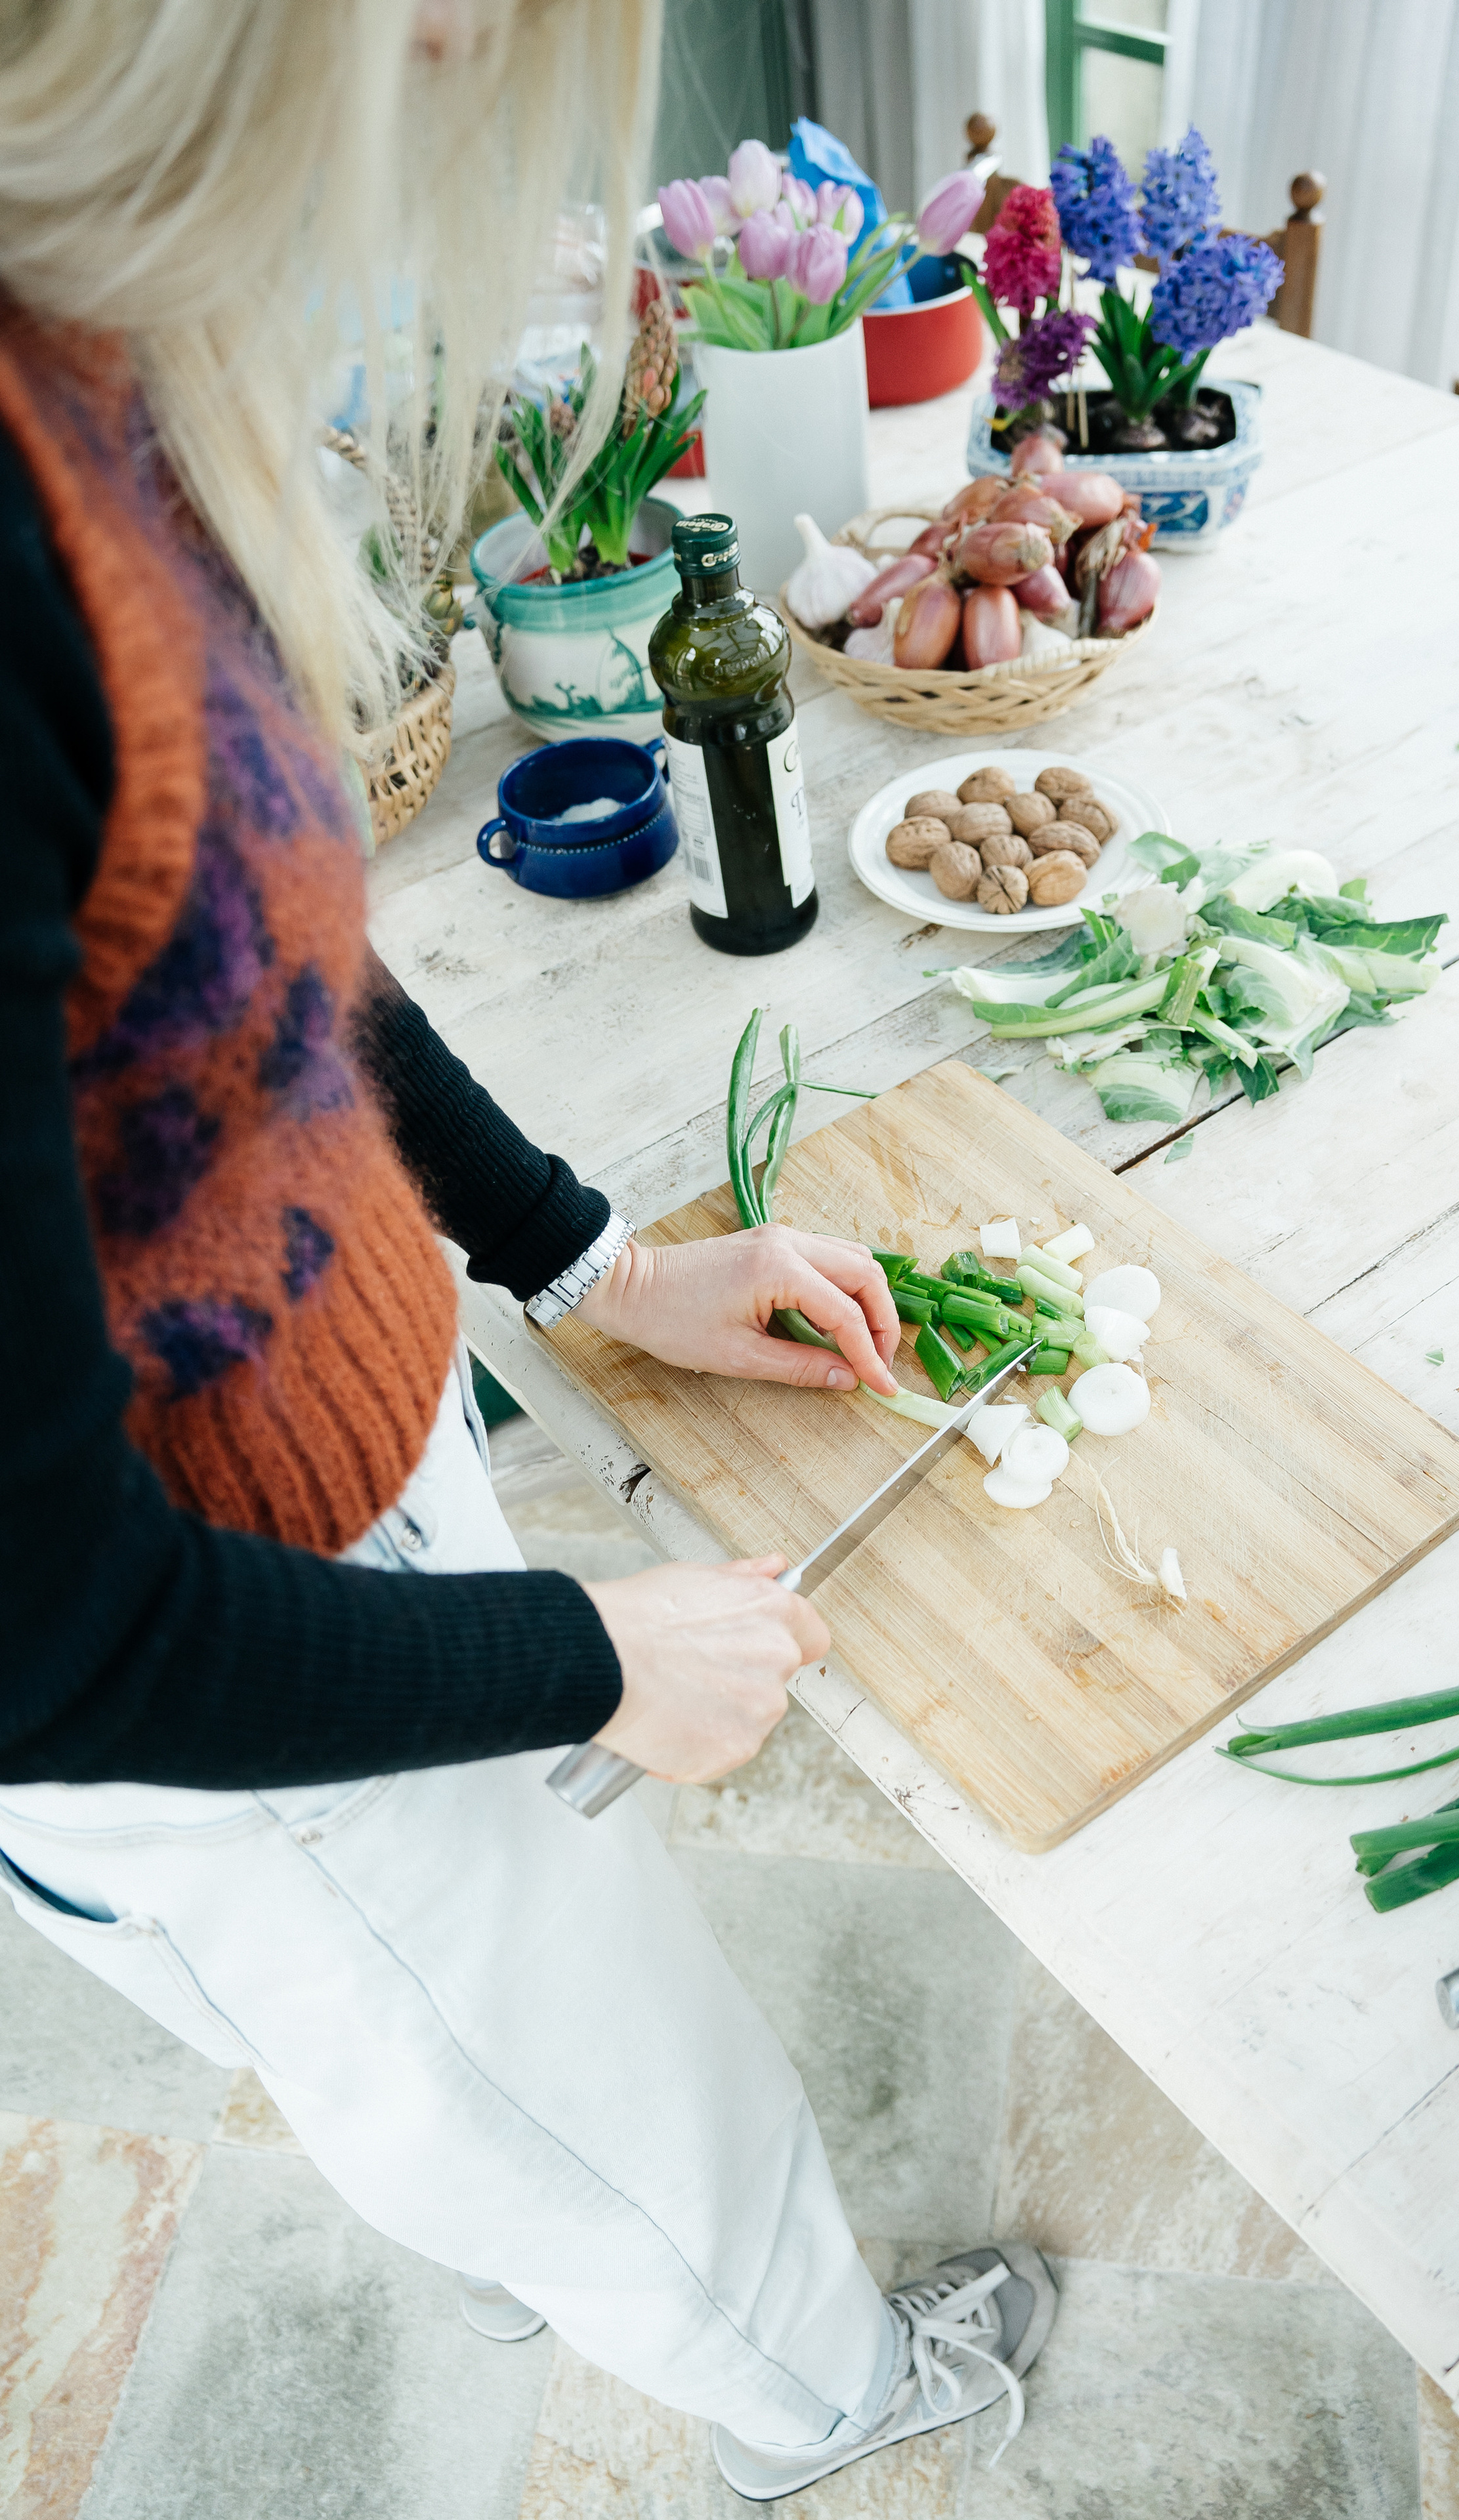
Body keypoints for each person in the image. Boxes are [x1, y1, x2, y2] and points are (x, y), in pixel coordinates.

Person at [0, 1, 1055, 2498]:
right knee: (599, 2106)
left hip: (303, 1519)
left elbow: (259, 951)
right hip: (224, 1695)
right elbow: (52, 1636)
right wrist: (581, 1650)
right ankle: (831, 2400)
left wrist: (580, 1261)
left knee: (471, 2053)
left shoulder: (90, 346)